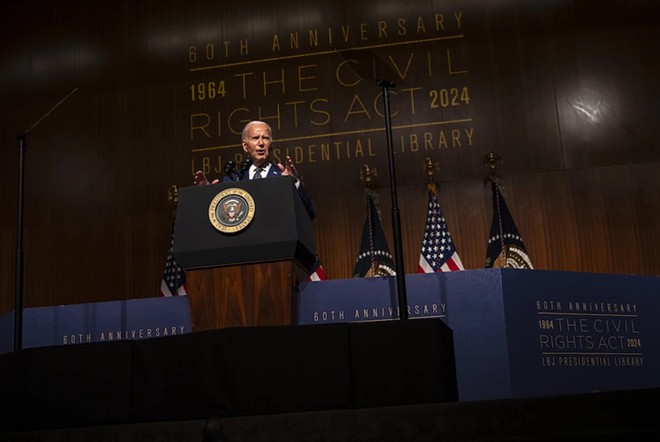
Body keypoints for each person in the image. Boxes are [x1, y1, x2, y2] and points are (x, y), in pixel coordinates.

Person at [194, 121, 316, 219]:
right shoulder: (233, 179)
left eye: (266, 138)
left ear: (271, 144)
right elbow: (222, 216)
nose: (261, 143)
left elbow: (310, 212)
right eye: (255, 138)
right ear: (245, 146)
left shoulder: (284, 176)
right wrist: (206, 195)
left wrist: (294, 183)